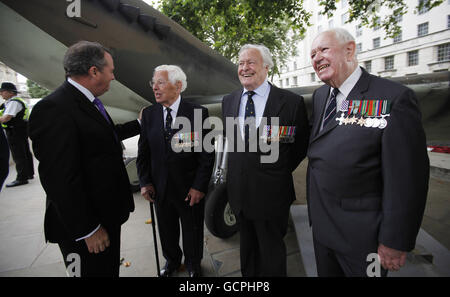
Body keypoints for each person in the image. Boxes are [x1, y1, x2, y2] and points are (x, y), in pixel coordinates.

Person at [307, 28, 429, 277]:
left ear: (350, 50)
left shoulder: (393, 98)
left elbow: (407, 179)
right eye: (312, 54)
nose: (316, 58)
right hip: (323, 231)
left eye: (324, 50)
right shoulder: (321, 96)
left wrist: (395, 240)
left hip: (364, 240)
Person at [28, 41, 141, 277]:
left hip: (104, 216)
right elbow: (59, 179)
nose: (113, 76)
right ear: (94, 71)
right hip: (86, 230)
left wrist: (140, 123)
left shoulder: (86, 101)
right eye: (111, 70)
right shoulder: (54, 109)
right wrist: (88, 229)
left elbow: (104, 136)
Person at [222, 44, 310, 276]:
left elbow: (299, 146)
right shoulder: (229, 101)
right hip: (239, 194)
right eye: (240, 63)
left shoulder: (290, 103)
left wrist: (275, 170)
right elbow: (236, 147)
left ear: (266, 67)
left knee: (272, 256)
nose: (244, 68)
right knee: (247, 254)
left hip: (272, 196)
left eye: (251, 62)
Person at [137, 65, 214, 277]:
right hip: (160, 189)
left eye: (160, 82)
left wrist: (199, 186)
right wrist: (144, 182)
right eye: (153, 83)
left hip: (189, 189)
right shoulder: (149, 114)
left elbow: (207, 155)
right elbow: (143, 154)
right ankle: (172, 262)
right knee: (166, 230)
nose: (155, 87)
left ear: (178, 86)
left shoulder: (197, 113)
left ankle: (193, 264)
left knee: (192, 230)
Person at [0, 82, 34, 187]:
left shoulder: (13, 102)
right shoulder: (16, 101)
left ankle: (22, 178)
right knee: (24, 152)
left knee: (18, 154)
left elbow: (6, 118)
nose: (1, 94)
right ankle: (28, 174)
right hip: (20, 130)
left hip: (15, 131)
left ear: (10, 92)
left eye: (2, 91)